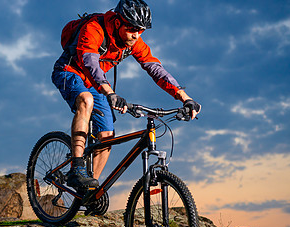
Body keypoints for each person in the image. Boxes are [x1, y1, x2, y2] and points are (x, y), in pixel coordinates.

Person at [52, 0, 201, 190]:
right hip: (69, 72)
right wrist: (110, 93)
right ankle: (77, 168)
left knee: (107, 135)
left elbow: (155, 68)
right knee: (86, 100)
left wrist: (184, 97)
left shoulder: (134, 42)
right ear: (117, 22)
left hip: (97, 84)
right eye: (132, 28)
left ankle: (89, 189)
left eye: (141, 30)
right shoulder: (94, 28)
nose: (136, 34)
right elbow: (89, 62)